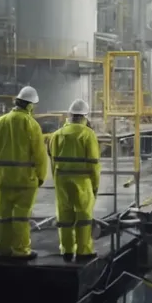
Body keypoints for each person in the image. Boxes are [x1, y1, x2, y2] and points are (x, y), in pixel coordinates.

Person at [0, 86, 49, 261]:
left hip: (2, 179)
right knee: (21, 217)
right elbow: (39, 154)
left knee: (3, 216)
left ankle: (3, 249)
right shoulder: (31, 124)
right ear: (30, 105)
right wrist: (41, 176)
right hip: (25, 180)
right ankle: (21, 250)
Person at [50, 99, 101, 262]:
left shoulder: (57, 135)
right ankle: (83, 250)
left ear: (70, 115)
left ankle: (66, 250)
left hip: (61, 181)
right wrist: (95, 185)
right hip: (82, 181)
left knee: (64, 216)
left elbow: (53, 162)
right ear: (85, 116)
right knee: (83, 216)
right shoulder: (88, 134)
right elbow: (94, 163)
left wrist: (57, 181)